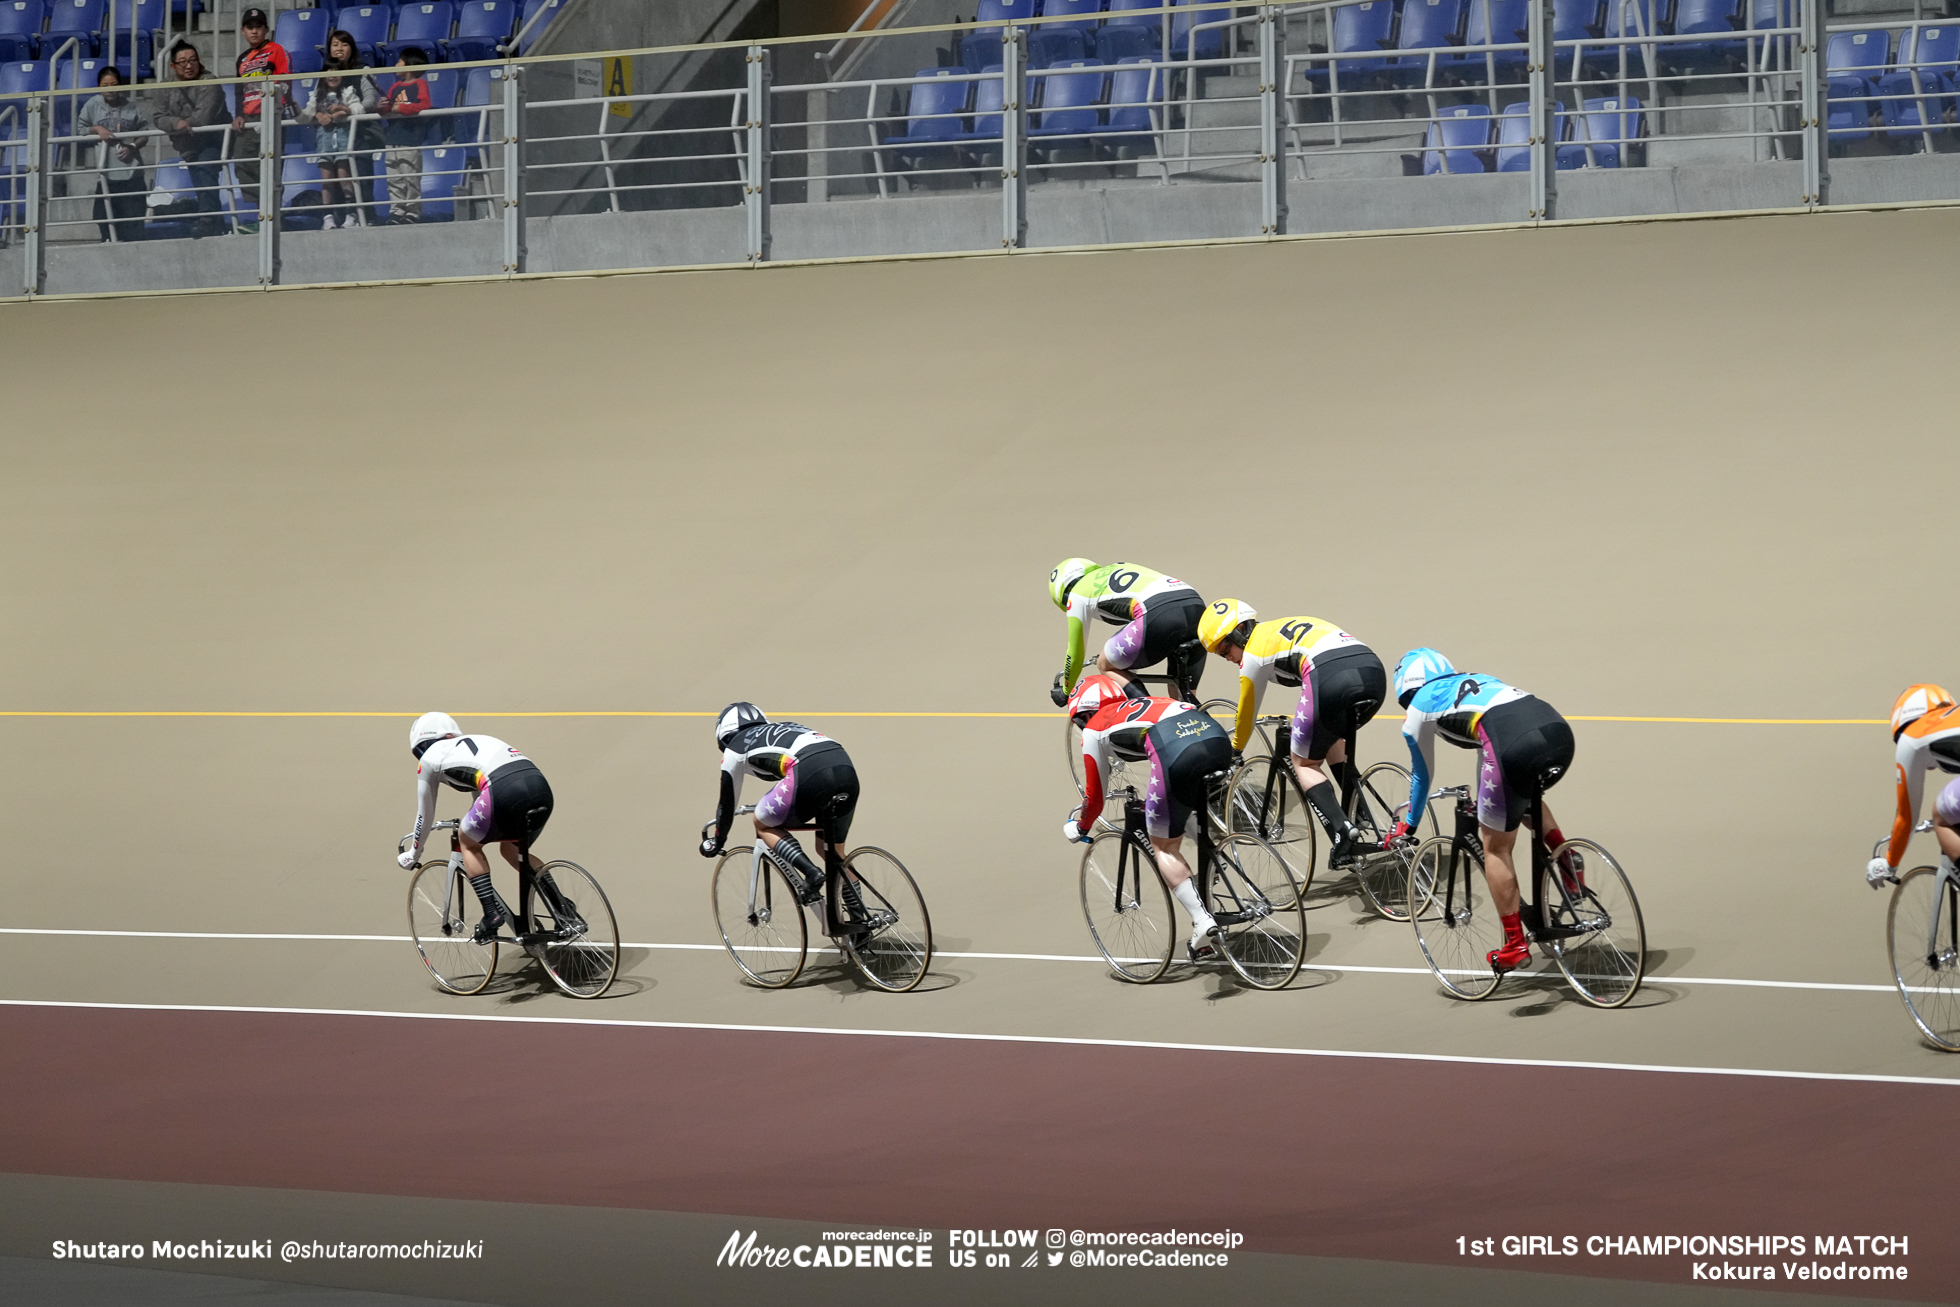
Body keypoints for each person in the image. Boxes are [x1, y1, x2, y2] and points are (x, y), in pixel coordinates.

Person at [1389, 649, 1577, 975]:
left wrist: (1410, 823)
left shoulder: (1419, 707)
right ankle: (1568, 861)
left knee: (1496, 847)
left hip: (1510, 746)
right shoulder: (1475, 679)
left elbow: (1422, 774)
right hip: (1556, 730)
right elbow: (1486, 742)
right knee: (1524, 795)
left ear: (1406, 689)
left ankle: (1516, 944)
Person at [1197, 599, 1387, 868]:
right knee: (1327, 737)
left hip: (1330, 677)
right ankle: (1360, 812)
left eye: (1224, 647)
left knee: (1303, 761)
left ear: (1240, 631)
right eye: (1218, 653)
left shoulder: (1253, 654)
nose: (1226, 657)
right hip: (1372, 671)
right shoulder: (1277, 628)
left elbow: (1246, 712)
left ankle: (1344, 831)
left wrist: (1235, 752)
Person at [1063, 674, 1234, 959]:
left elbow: (1095, 796)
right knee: (1183, 804)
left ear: (1087, 713)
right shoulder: (1146, 702)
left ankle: (1202, 920)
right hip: (1215, 737)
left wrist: (1080, 825)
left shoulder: (1095, 728)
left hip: (1176, 752)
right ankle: (1219, 860)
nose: (1082, 728)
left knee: (1164, 845)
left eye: (1080, 721)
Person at [698, 703, 866, 938]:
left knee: (762, 822)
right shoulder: (782, 728)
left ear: (723, 736)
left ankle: (811, 874)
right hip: (844, 767)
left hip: (808, 773)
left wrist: (718, 840)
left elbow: (727, 803)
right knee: (833, 853)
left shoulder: (734, 749)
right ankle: (861, 922)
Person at [396, 712, 561, 943]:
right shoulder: (477, 741)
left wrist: (414, 853)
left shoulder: (429, 758)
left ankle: (492, 915)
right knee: (512, 849)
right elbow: (480, 800)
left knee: (467, 842)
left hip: (502, 791)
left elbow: (425, 813)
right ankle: (562, 907)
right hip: (540, 788)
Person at [1047, 558, 1207, 706]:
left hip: (1158, 613)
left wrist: (1066, 691)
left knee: (1105, 664)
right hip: (1195, 605)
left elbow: (1075, 651)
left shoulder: (1076, 595)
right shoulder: (1118, 567)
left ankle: (1151, 713)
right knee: (1182, 703)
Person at [1867, 685, 1960, 889]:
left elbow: (1906, 818)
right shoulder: (1949, 721)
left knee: (1941, 817)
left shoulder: (1911, 738)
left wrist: (1890, 864)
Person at [151, 41, 228, 237]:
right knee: (200, 178)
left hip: (213, 141)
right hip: (186, 143)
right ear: (173, 66)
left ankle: (208, 221)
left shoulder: (209, 82)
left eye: (193, 60)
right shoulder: (165, 87)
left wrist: (185, 124)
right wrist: (176, 122)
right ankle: (215, 223)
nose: (188, 65)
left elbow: (203, 118)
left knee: (204, 169)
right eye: (183, 62)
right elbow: (158, 117)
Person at [230, 7, 291, 228]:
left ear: (266, 29)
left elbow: (285, 81)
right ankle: (262, 213)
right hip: (248, 117)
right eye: (250, 27)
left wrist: (276, 106)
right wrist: (238, 114)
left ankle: (273, 217)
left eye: (259, 27)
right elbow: (239, 90)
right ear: (242, 31)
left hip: (271, 115)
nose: (254, 31)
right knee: (243, 164)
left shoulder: (277, 50)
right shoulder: (242, 58)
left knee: (271, 167)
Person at [77, 65, 149, 243]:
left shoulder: (131, 107)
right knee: (105, 223)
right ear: (99, 87)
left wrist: (132, 147)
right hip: (107, 176)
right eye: (105, 85)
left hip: (132, 175)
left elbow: (145, 132)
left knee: (133, 228)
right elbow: (80, 129)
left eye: (114, 84)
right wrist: (97, 128)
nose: (110, 89)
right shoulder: (92, 105)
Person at [305, 48, 374, 228]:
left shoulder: (348, 92)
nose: (333, 76)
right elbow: (305, 114)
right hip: (324, 141)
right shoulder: (316, 95)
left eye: (337, 72)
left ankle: (351, 215)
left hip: (344, 139)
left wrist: (345, 110)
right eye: (329, 72)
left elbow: (360, 108)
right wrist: (317, 115)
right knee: (327, 180)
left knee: (345, 177)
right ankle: (327, 217)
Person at [375, 47, 434, 224]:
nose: (396, 65)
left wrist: (402, 108)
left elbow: (424, 104)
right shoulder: (394, 87)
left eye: (399, 61)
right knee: (394, 178)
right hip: (391, 140)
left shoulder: (420, 84)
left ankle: (413, 212)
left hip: (410, 140)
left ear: (410, 64)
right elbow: (387, 110)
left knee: (411, 177)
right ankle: (397, 211)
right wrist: (382, 107)